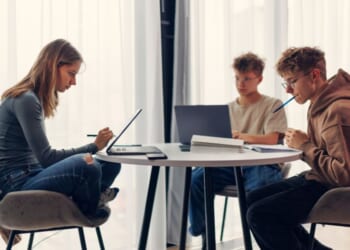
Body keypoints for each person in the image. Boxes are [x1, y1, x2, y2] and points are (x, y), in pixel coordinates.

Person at [0, 39, 121, 245]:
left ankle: (89, 198)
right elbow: (47, 158)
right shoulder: (26, 100)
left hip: (33, 173)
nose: (73, 82)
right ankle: (91, 207)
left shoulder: (33, 99)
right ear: (53, 66)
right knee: (87, 165)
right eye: (71, 73)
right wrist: (93, 147)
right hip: (17, 183)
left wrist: (93, 152)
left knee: (110, 164)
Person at [245, 46, 350, 250]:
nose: (288, 90)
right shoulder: (319, 102)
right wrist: (306, 144)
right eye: (286, 82)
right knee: (251, 198)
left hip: (334, 187)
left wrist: (305, 146)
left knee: (260, 214)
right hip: (320, 177)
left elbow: (343, 174)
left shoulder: (336, 110)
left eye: (292, 81)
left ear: (315, 75)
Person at [188, 52, 288, 249]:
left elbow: (272, 139)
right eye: (237, 78)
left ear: (259, 79)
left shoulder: (272, 105)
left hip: (261, 164)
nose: (240, 84)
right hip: (230, 165)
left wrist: (241, 136)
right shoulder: (226, 109)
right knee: (195, 180)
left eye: (247, 79)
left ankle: (264, 239)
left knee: (261, 190)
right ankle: (203, 231)